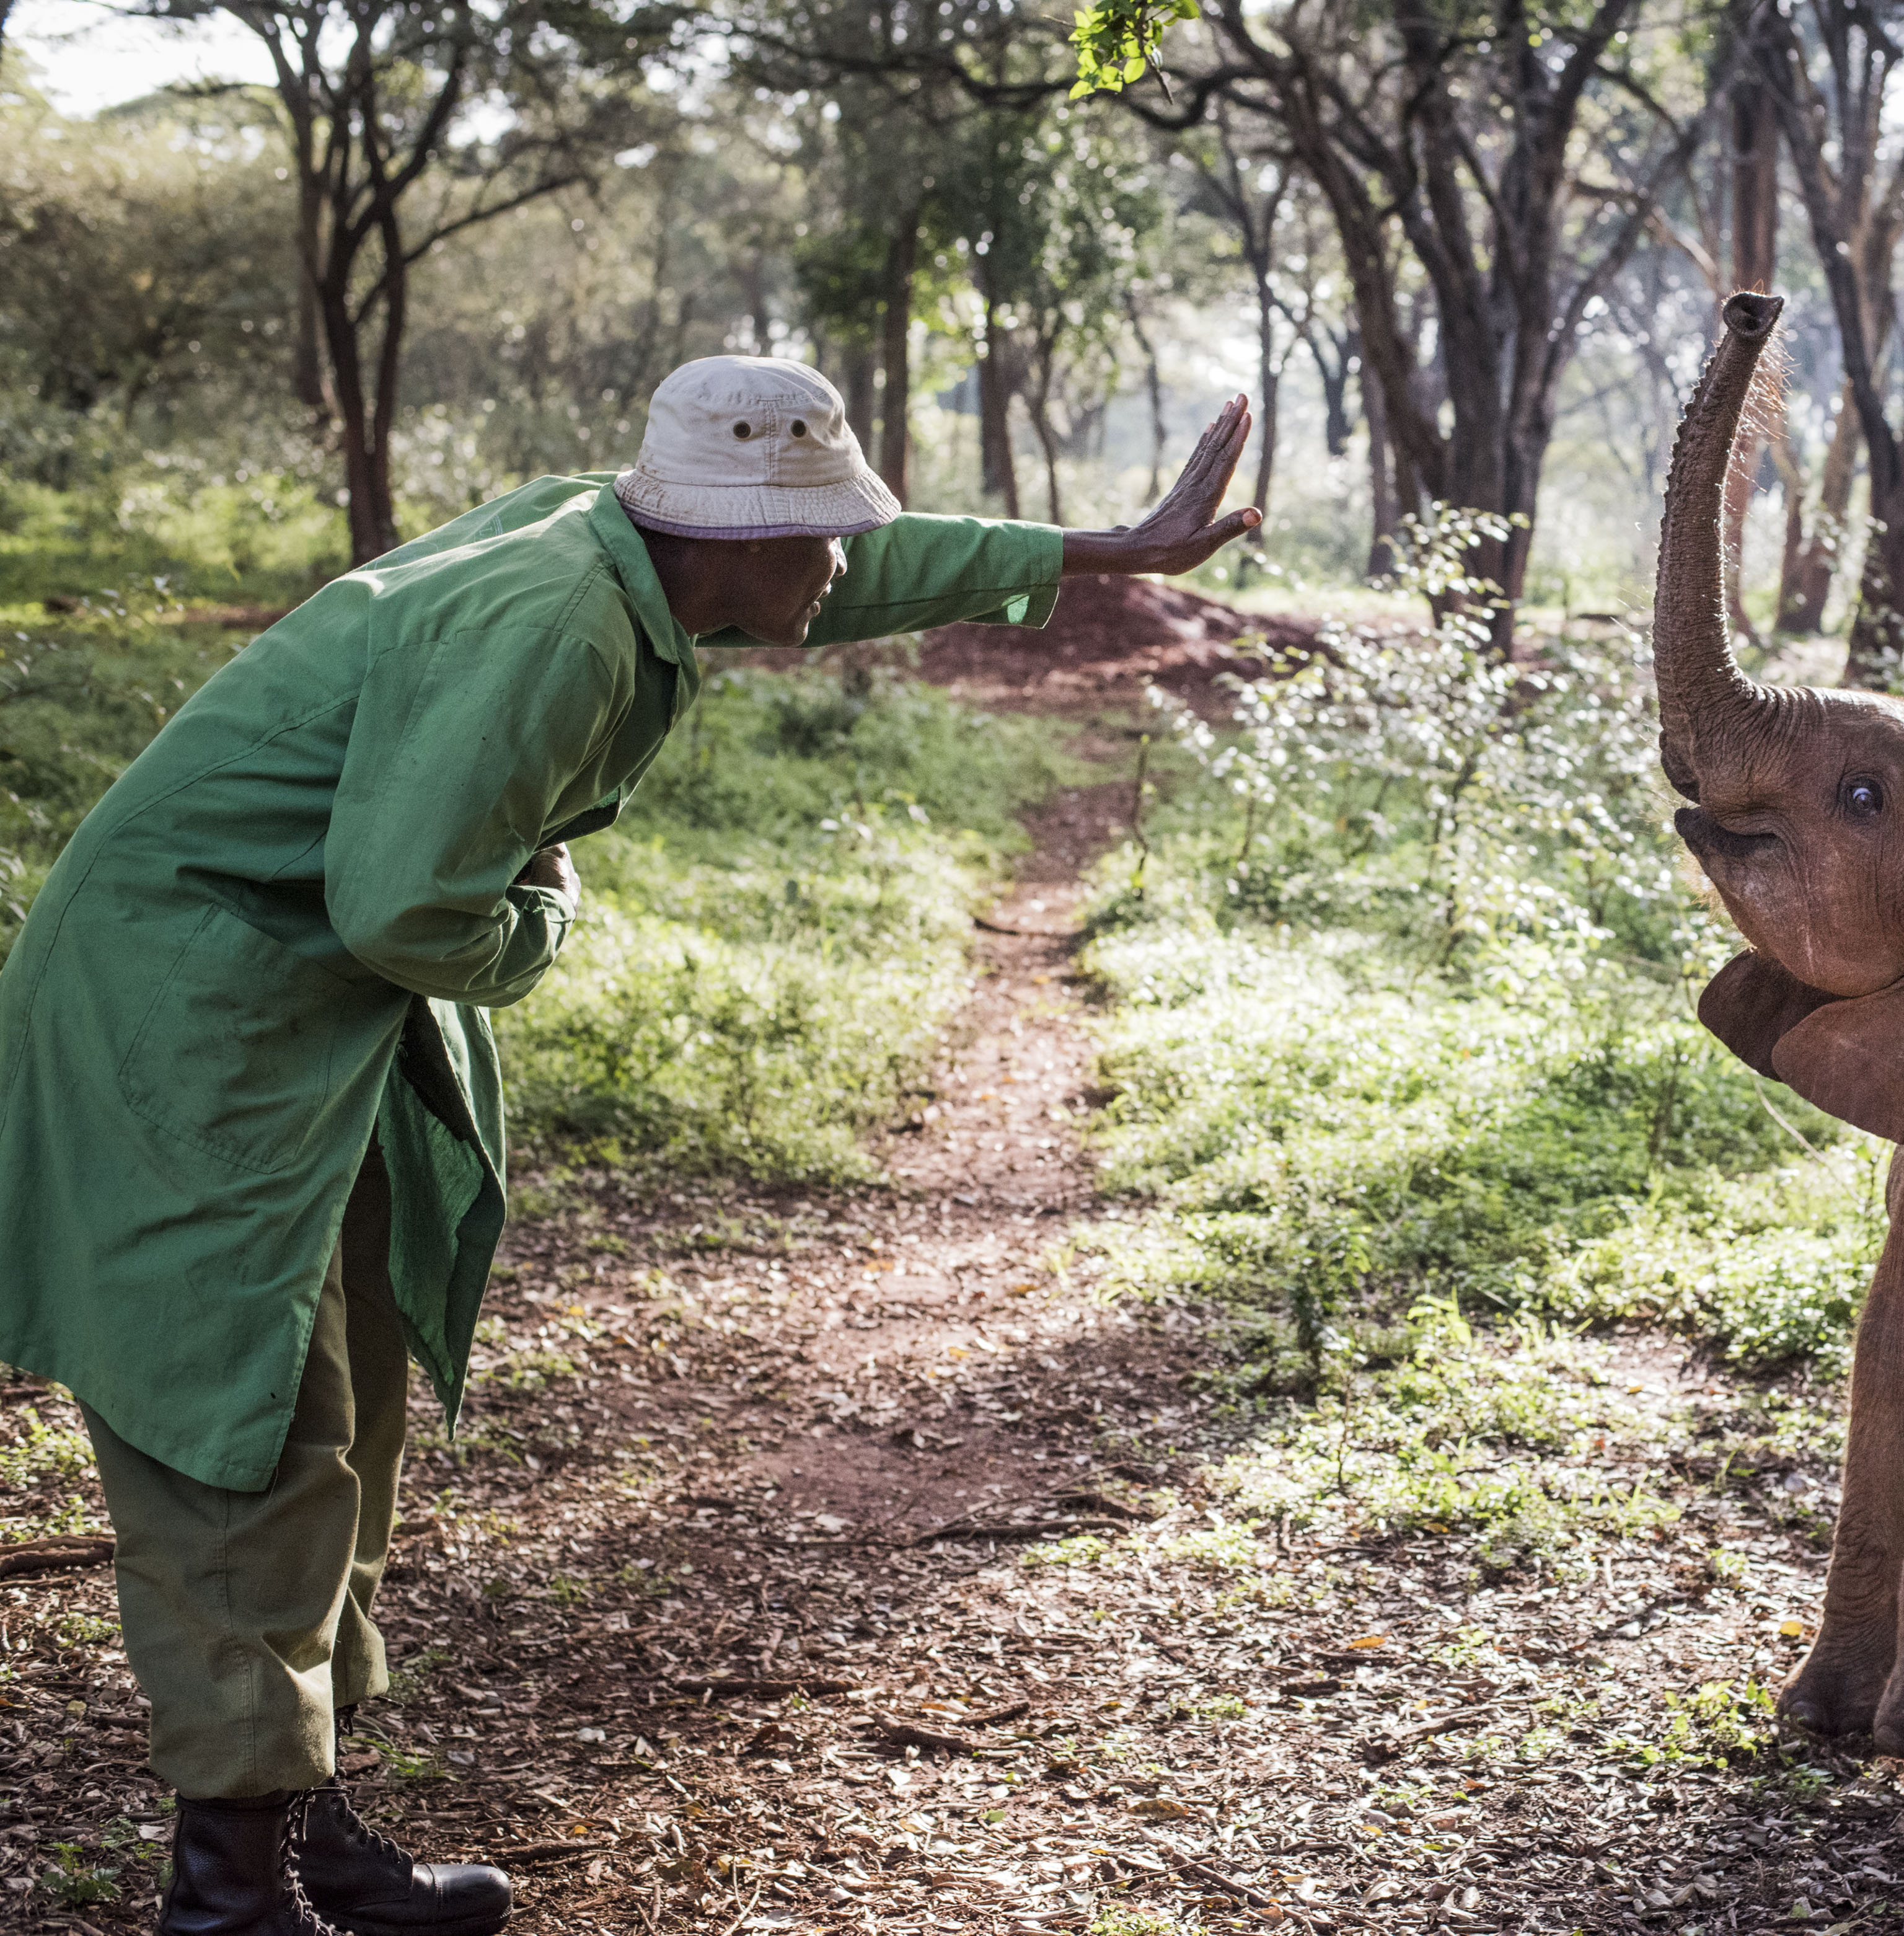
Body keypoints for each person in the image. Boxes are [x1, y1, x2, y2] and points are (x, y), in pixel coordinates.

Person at [0, 356, 1262, 1936]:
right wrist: (546, 914)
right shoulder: (563, 623)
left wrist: (1104, 551)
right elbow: (402, 909)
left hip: (292, 1022)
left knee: (355, 1402)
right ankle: (226, 1898)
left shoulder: (617, 541)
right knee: (248, 1440)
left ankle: (300, 1825)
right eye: (820, 531)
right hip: (177, 1017)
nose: (842, 559)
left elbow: (860, 578)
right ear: (732, 536)